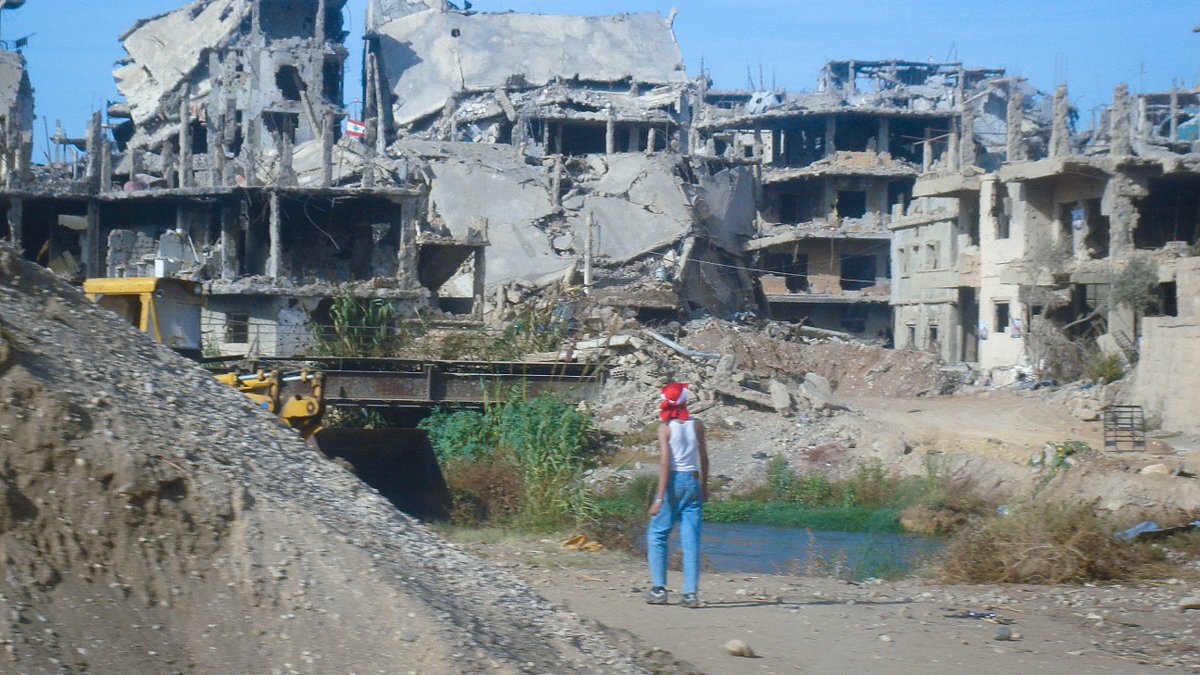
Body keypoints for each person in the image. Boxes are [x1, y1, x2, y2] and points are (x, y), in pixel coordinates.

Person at [644, 382, 708, 608]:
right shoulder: (697, 425)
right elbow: (704, 458)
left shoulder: (665, 428)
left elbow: (664, 462)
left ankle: (659, 588)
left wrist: (659, 497)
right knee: (690, 539)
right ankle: (690, 593)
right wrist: (704, 486)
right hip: (693, 480)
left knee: (657, 534)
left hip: (673, 482)